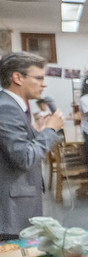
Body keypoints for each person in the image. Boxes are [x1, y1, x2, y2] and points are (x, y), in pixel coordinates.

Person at [0, 52, 64, 238]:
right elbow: (24, 158)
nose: (44, 84)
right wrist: (50, 130)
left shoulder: (13, 105)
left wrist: (39, 132)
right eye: (39, 78)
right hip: (11, 208)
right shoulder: (7, 108)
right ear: (17, 77)